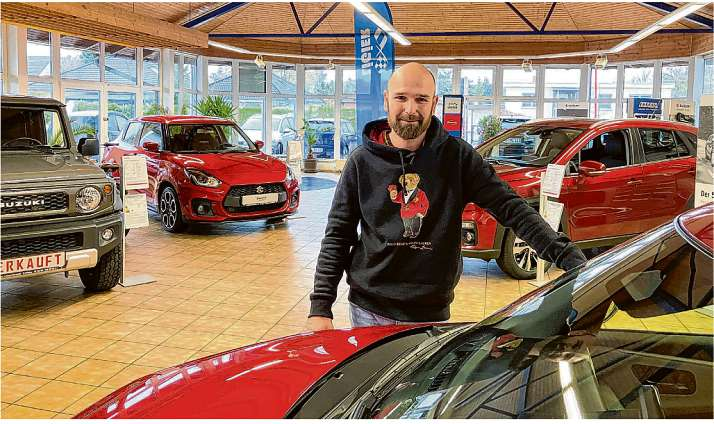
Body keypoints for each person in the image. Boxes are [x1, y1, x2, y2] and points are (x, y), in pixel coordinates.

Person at [307, 62, 587, 330]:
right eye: (401, 98)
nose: (410, 109)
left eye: (421, 99)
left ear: (434, 103)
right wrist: (320, 306)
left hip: (429, 312)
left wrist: (568, 257)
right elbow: (338, 235)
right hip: (368, 309)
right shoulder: (361, 162)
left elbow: (512, 208)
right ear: (386, 100)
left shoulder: (458, 158)